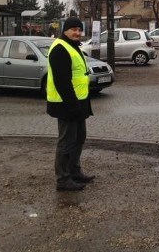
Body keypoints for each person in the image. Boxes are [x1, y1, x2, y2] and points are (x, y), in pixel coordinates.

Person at [46, 17, 94, 191]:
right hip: (66, 104)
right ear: (65, 30)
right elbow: (62, 82)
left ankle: (74, 171)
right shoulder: (60, 49)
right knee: (66, 142)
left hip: (79, 102)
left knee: (79, 138)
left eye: (79, 30)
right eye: (73, 29)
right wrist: (73, 105)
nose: (77, 33)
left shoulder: (74, 47)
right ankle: (63, 179)